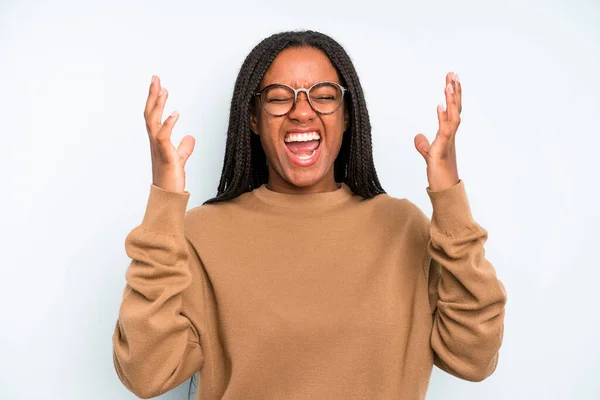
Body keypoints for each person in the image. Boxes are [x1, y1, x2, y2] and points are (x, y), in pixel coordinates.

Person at [112, 30, 507, 400]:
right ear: (253, 116)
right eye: (280, 97)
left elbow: (473, 357)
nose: (302, 112)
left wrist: (448, 197)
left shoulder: (403, 226)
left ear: (347, 115)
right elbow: (146, 372)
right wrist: (164, 200)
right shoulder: (201, 234)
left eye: (323, 95)